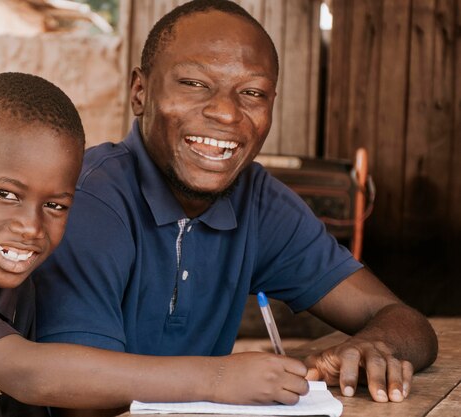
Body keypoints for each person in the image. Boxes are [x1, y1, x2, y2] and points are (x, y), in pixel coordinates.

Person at [34, 0, 438, 413]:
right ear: (140, 92)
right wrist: (224, 378)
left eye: (252, 93)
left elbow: (404, 320)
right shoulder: (90, 200)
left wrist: (374, 346)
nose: (226, 113)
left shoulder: (258, 202)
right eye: (193, 83)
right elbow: (78, 399)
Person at [0, 72, 315, 417]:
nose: (30, 227)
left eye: (56, 205)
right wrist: (218, 378)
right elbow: (30, 373)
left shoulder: (17, 286)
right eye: (6, 194)